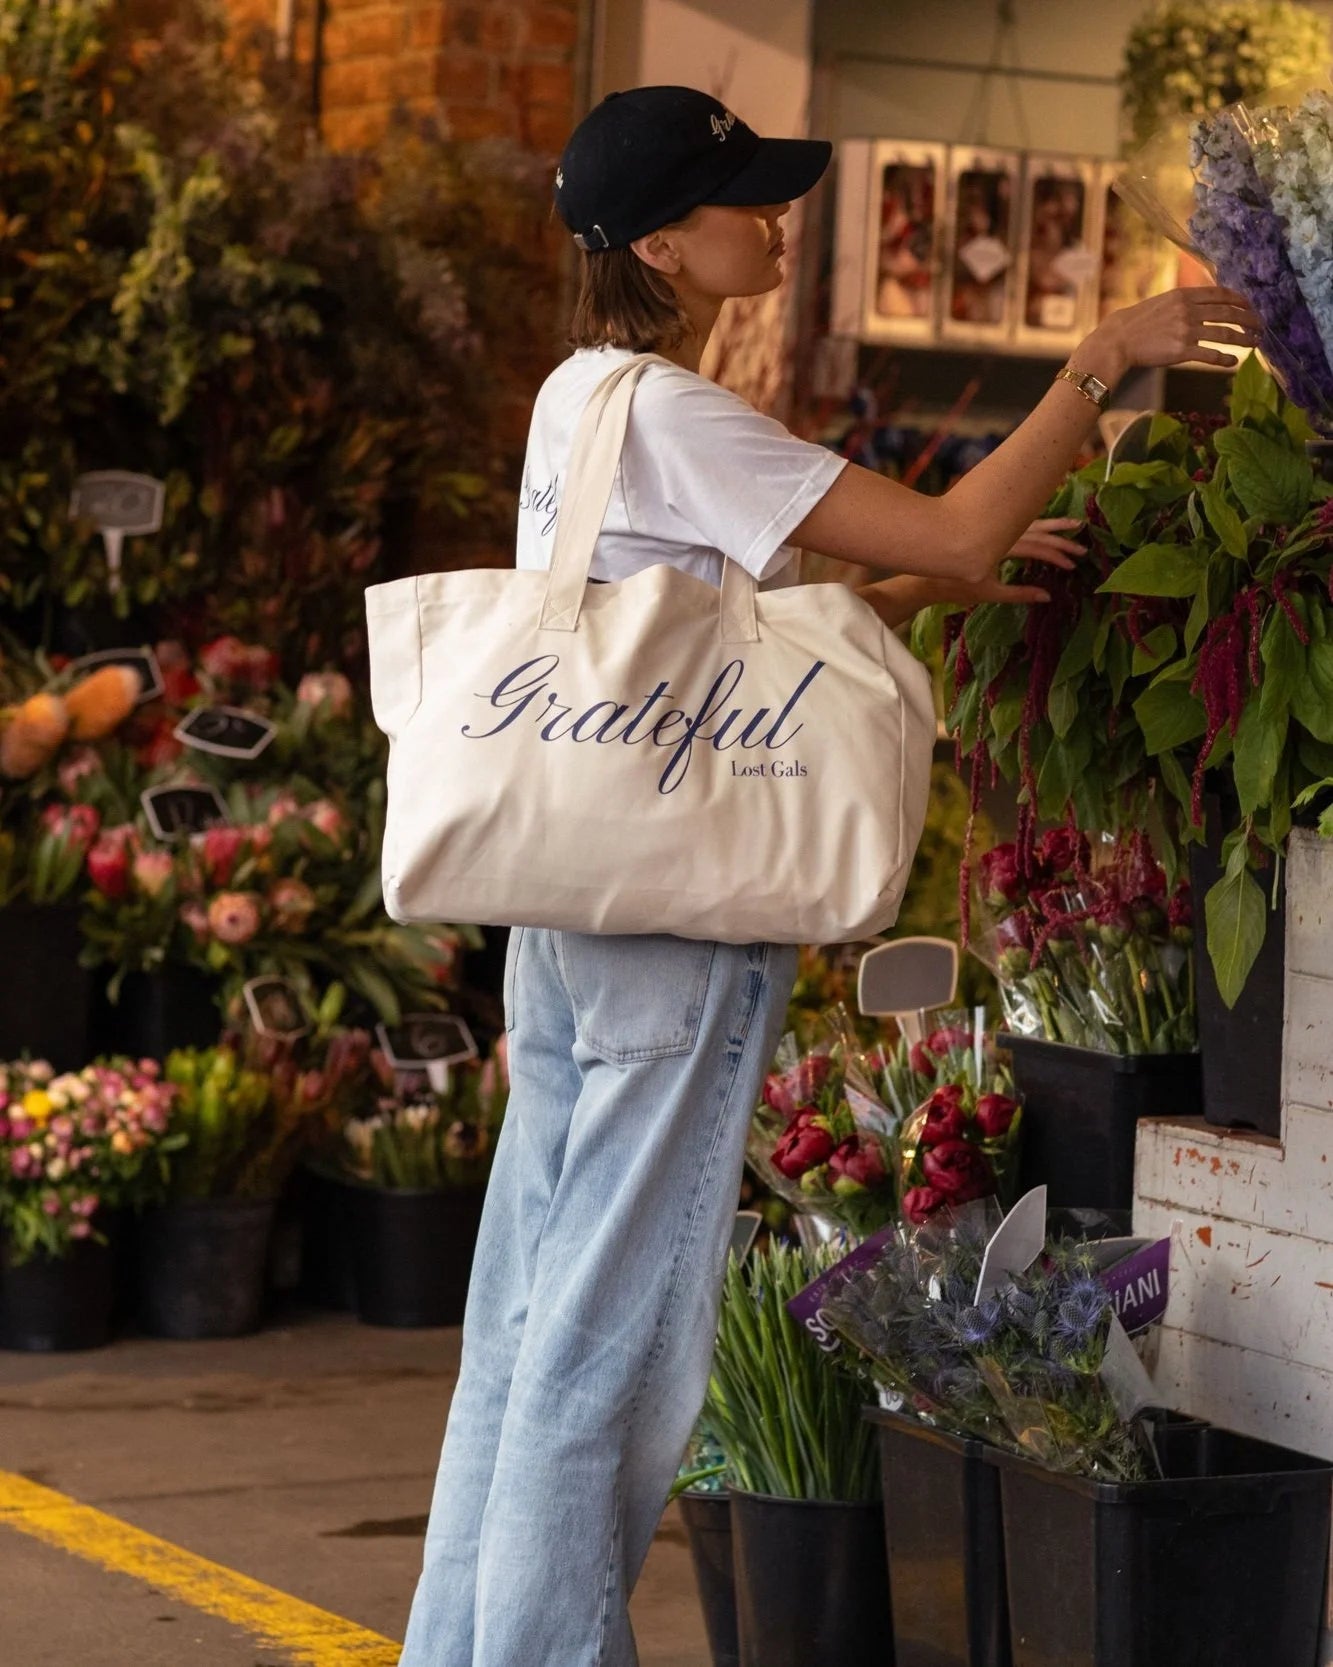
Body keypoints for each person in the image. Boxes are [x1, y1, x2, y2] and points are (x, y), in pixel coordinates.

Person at [398, 85, 1258, 1667]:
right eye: (745, 201)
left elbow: (688, 632)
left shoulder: (577, 398)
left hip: (572, 922)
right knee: (617, 1342)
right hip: (673, 932)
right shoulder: (677, 412)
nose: (775, 221)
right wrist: (1099, 360)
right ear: (661, 237)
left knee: (524, 1325)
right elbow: (945, 531)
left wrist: (925, 582)